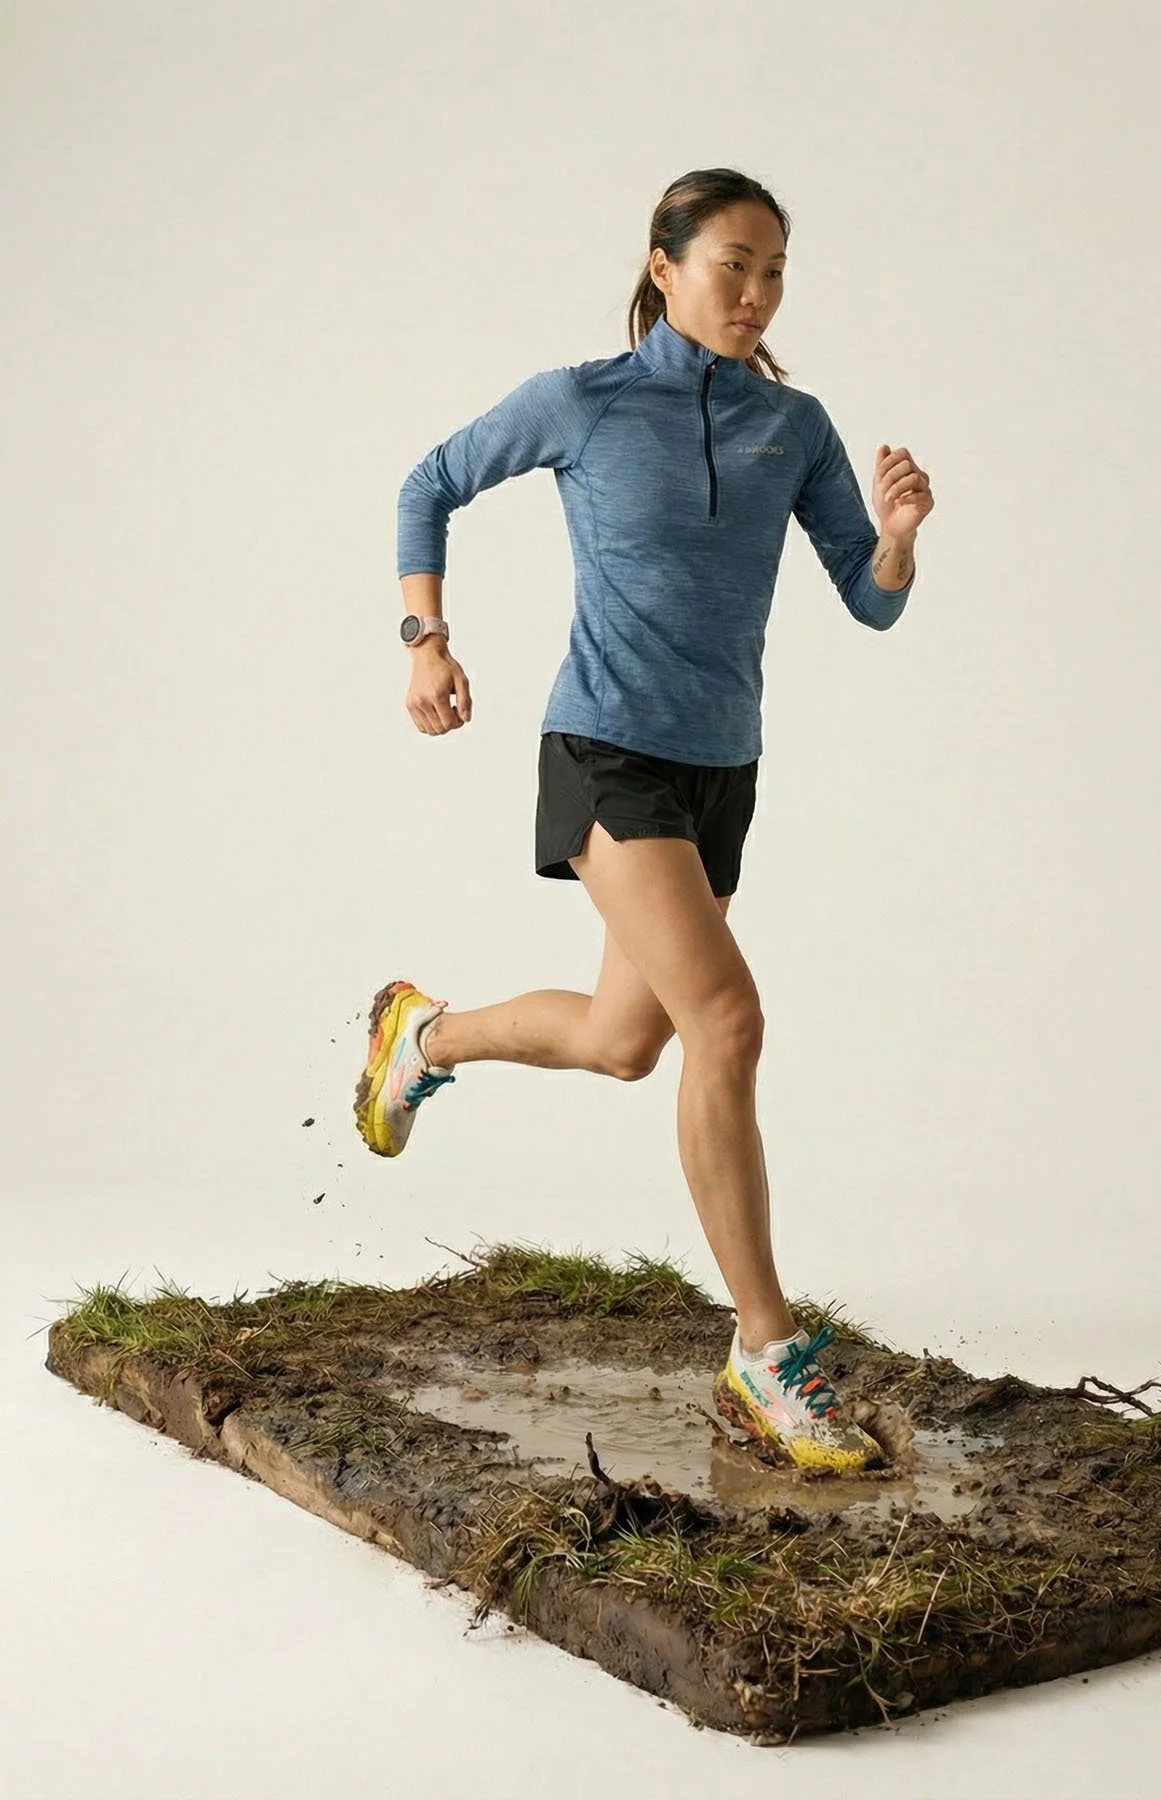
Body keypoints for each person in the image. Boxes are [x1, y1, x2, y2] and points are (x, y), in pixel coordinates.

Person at [353, 167, 934, 1475]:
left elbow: (874, 595)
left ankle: (423, 1033)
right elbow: (427, 483)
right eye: (733, 262)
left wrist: (895, 536)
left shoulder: (797, 425)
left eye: (775, 269)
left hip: (722, 767)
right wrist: (423, 641)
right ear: (664, 265)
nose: (758, 290)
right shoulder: (587, 400)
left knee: (628, 1043)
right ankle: (768, 1352)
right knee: (727, 1022)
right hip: (605, 751)